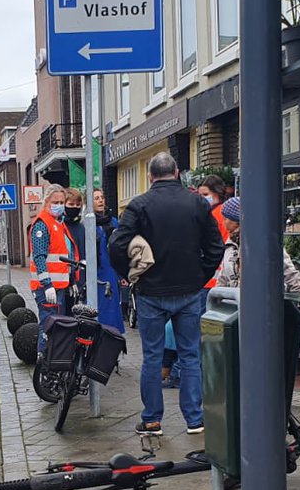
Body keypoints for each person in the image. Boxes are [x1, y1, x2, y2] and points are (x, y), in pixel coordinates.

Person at [108, 152, 223, 435]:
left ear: (150, 176)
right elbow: (215, 247)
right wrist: (200, 276)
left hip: (151, 292)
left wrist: (131, 275)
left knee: (152, 356)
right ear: (178, 172)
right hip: (189, 290)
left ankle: (152, 420)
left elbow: (116, 245)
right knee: (190, 356)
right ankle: (195, 420)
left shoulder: (139, 205)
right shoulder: (197, 203)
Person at [214, 195, 300, 425]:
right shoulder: (229, 246)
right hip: (236, 316)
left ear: (235, 221)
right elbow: (224, 278)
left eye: (226, 218)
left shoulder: (262, 241)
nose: (224, 221)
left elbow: (288, 271)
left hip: (262, 316)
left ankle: (261, 404)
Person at [27, 184, 78, 353]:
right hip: (47, 288)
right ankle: (44, 365)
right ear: (46, 201)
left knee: (56, 326)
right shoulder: (43, 224)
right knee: (49, 327)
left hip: (59, 287)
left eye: (62, 201)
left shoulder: (58, 223)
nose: (59, 205)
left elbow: (63, 257)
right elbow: (39, 257)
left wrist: (71, 281)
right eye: (55, 201)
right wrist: (47, 284)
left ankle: (52, 364)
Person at [195, 175, 236, 315]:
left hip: (211, 279)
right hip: (216, 278)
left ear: (217, 193)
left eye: (205, 195)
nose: (202, 198)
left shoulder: (215, 215)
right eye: (200, 195)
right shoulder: (219, 212)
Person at [94, 189, 134, 329]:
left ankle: (111, 336)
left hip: (111, 270)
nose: (100, 200)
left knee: (111, 305)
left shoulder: (113, 222)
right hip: (96, 271)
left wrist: (122, 272)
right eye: (96, 198)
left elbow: (120, 248)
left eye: (102, 197)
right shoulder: (88, 223)